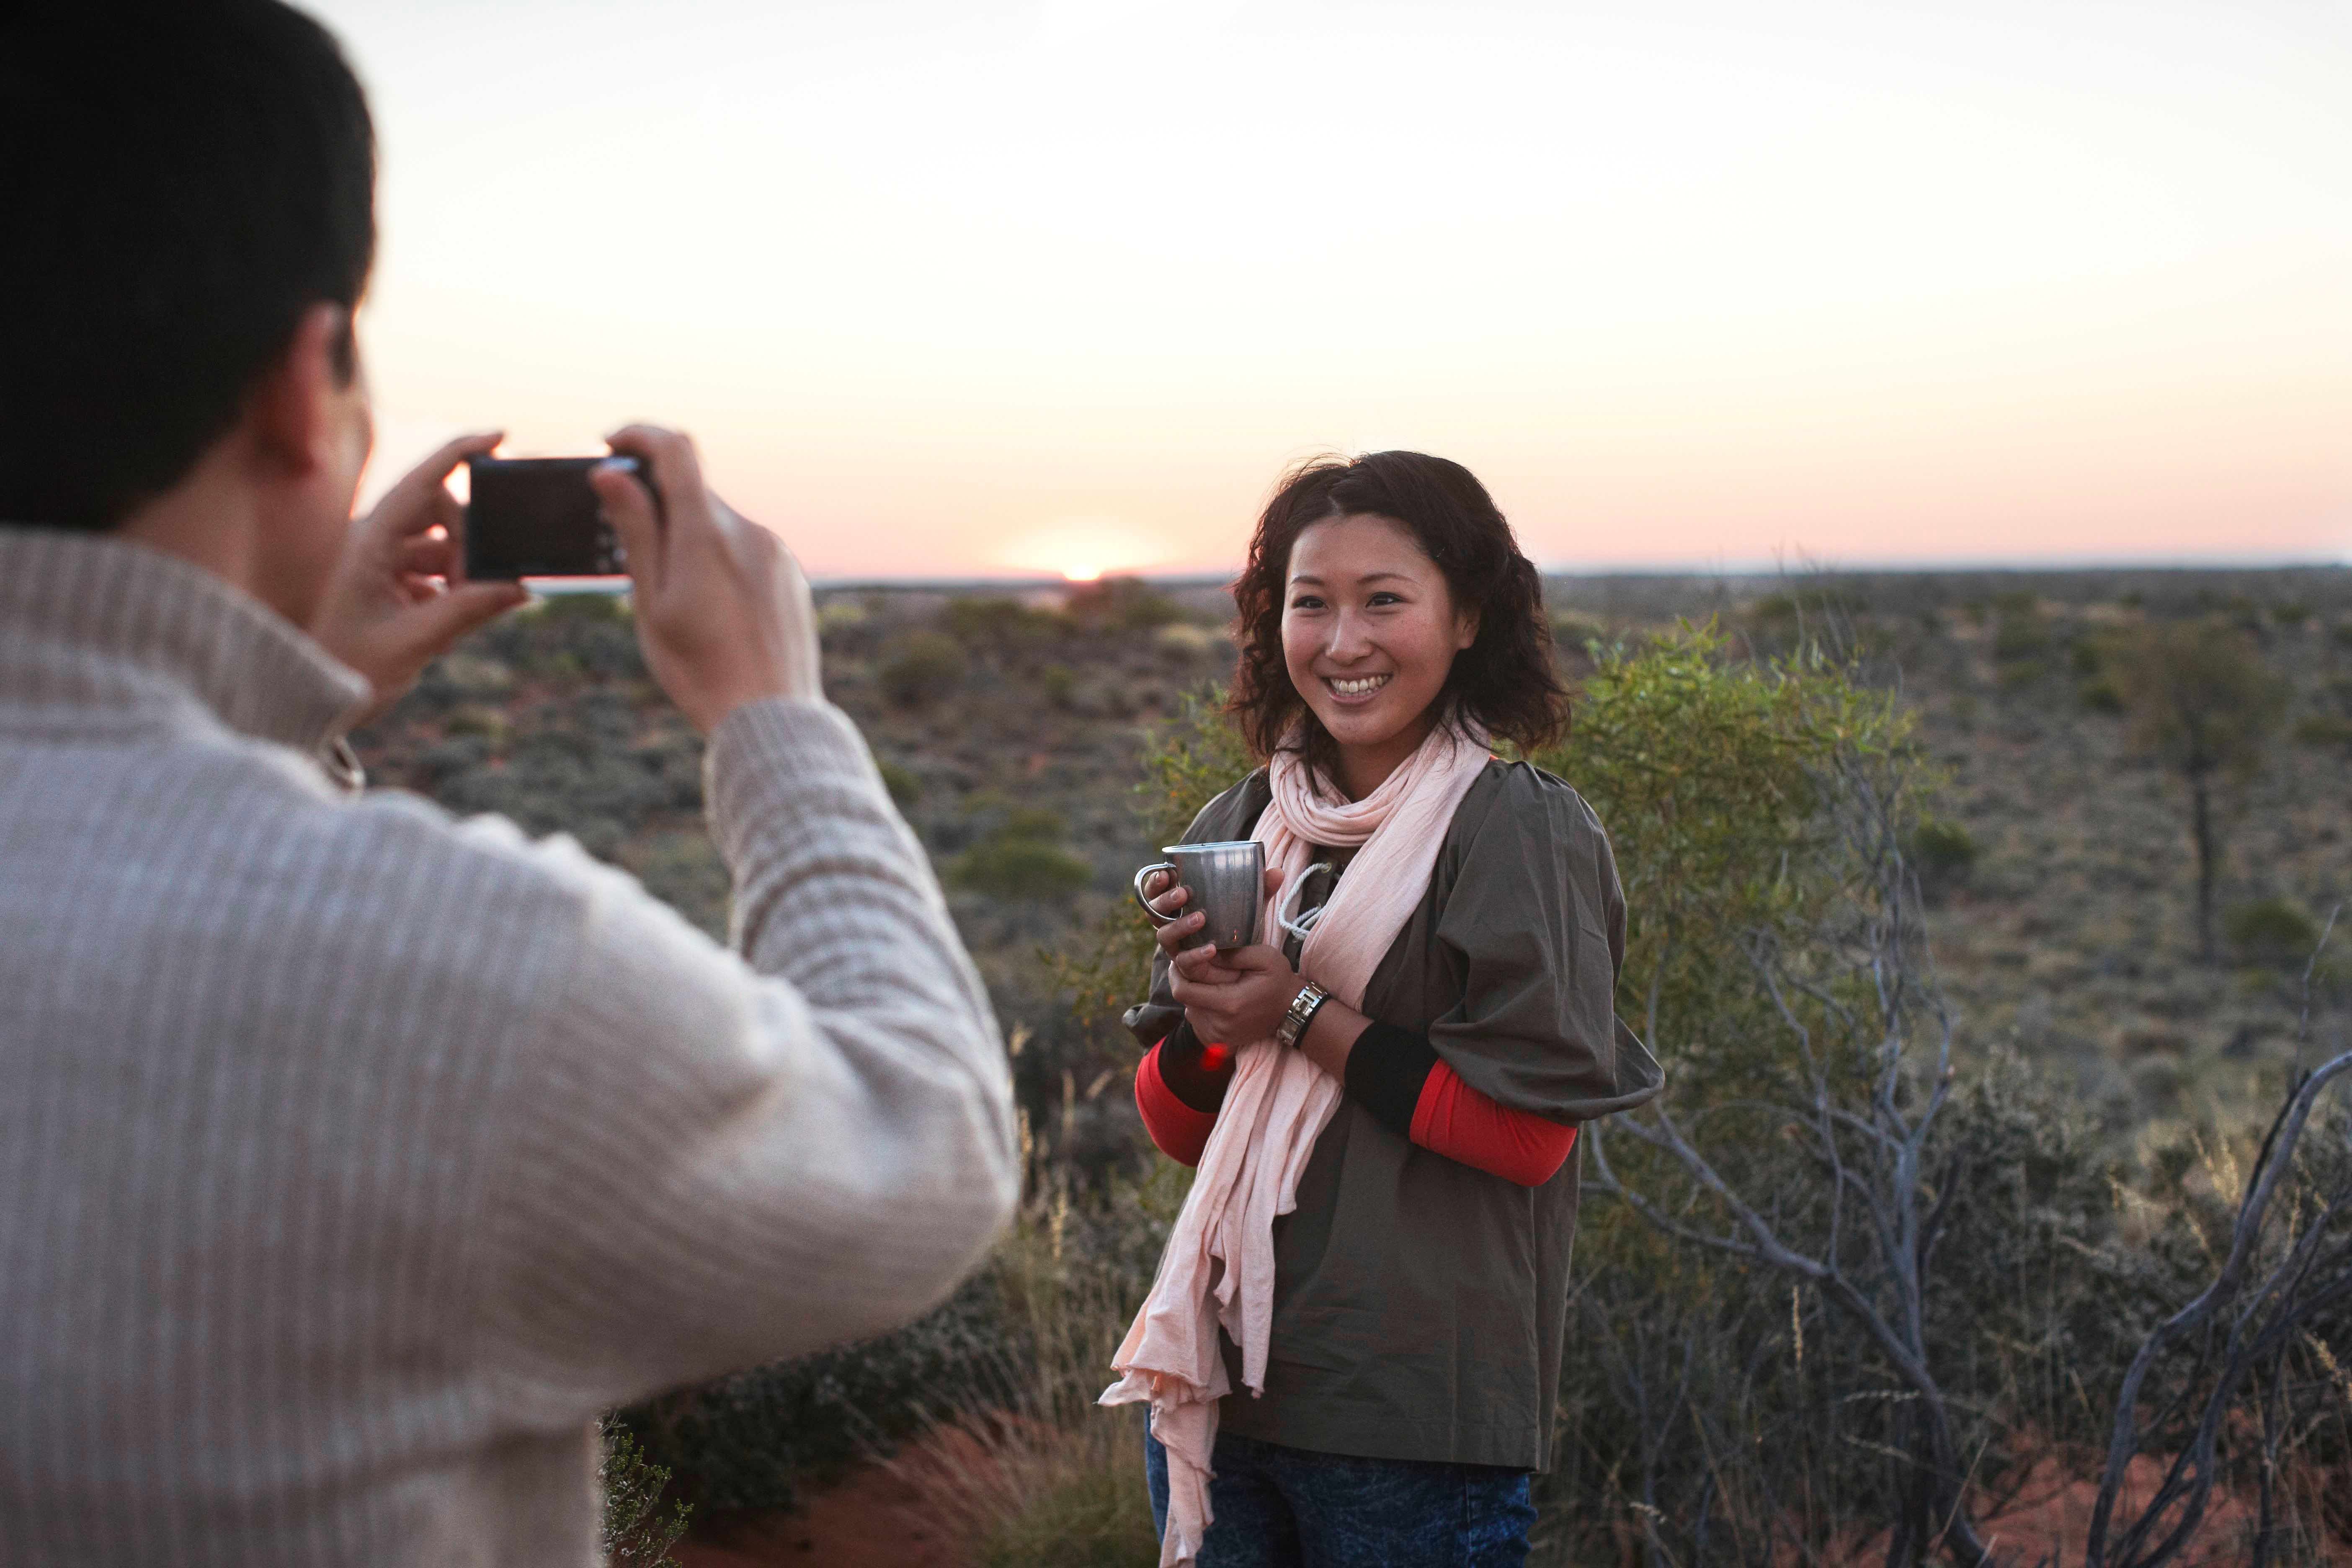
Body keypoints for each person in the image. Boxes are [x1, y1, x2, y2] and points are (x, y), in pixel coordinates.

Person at [0, 5, 1016, 1563]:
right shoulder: (450, 972)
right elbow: (927, 1146)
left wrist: (266, 710)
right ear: (303, 380)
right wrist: (776, 717)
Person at [1102, 452, 1664, 1567]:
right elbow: (1175, 1126)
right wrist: (1216, 1032)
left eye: (1385, 601)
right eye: (1311, 603)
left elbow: (1527, 1137)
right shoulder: (1251, 818)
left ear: (1468, 619)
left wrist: (1298, 1008)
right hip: (1220, 1387)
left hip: (1412, 1417)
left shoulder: (1518, 831)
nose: (1343, 641)